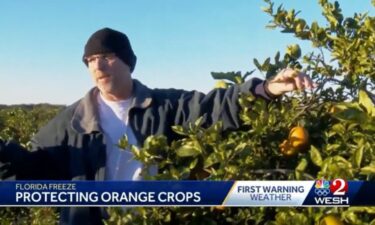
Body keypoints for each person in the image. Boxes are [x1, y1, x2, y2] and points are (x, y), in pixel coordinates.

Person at [0, 28, 315, 225]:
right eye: (91, 59)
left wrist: (265, 89)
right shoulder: (71, 121)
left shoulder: (166, 106)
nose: (97, 65)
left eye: (106, 56)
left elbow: (215, 107)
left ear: (127, 61)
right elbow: (36, 169)